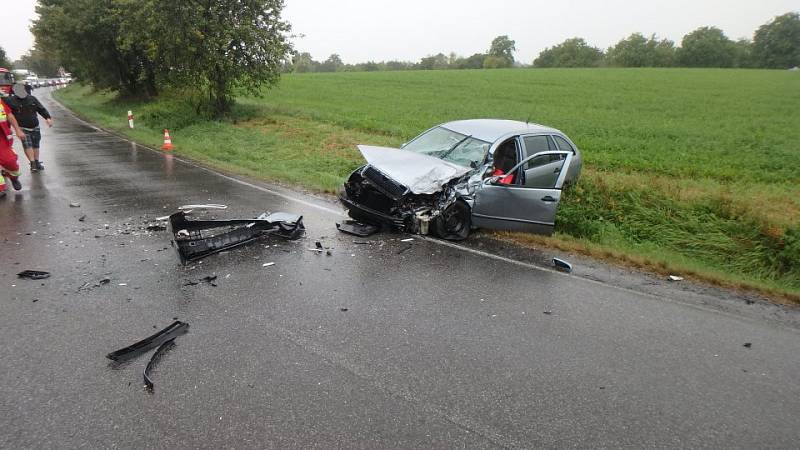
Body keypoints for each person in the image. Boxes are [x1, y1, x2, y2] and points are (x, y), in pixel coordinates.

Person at [2, 83, 53, 172]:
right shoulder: (10, 100)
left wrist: (48, 118)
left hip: (35, 126)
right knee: (27, 145)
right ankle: (32, 163)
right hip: (22, 128)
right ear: (14, 91)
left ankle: (37, 162)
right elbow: (6, 111)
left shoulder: (32, 99)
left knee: (36, 145)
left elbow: (41, 109)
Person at [0, 97, 25, 197]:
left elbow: (9, 115)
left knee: (9, 161)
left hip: (2, 138)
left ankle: (13, 176)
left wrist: (18, 130)